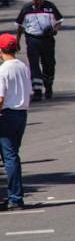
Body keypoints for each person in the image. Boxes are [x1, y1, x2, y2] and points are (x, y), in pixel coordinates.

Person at [0, 34, 31, 211]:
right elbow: (29, 92)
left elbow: (0, 98)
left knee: (9, 157)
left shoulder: (3, 70)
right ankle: (15, 195)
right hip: (21, 114)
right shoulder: (23, 67)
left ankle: (15, 197)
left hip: (7, 115)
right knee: (12, 155)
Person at [16, 0, 63, 100]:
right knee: (34, 65)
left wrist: (55, 30)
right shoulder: (26, 8)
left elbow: (59, 21)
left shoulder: (50, 7)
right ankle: (37, 91)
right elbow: (20, 26)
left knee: (49, 64)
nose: (36, 1)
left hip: (47, 40)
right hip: (32, 40)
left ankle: (48, 87)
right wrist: (17, 41)